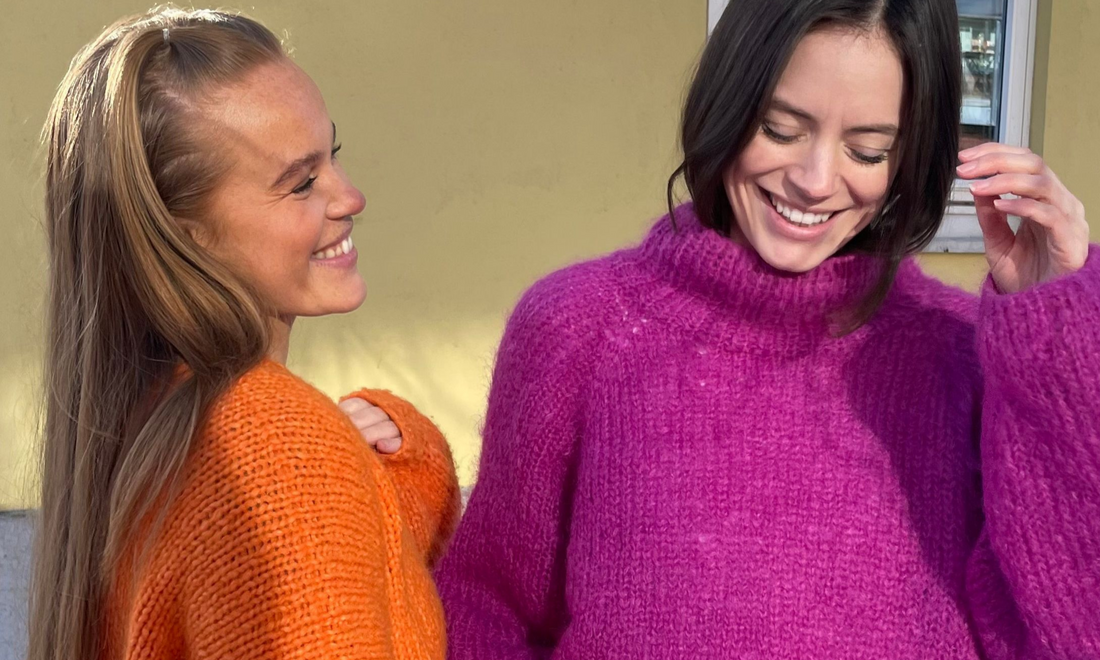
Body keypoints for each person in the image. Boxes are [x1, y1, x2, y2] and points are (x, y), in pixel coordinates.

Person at [435, 0, 1098, 658]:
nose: (814, 181)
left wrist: (1056, 333)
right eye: (781, 130)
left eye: (867, 149)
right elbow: (490, 606)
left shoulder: (963, 356)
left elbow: (1065, 630)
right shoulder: (580, 328)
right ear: (728, 102)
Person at [27, 8, 459, 660]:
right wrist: (322, 454)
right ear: (184, 235)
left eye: (332, 156)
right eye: (301, 182)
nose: (350, 196)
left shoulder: (149, 433)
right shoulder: (276, 447)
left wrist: (404, 465)